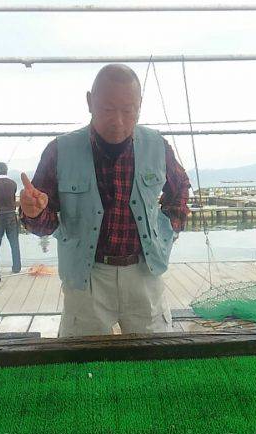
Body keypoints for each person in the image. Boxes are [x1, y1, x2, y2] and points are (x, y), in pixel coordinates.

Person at [20, 64, 190, 337]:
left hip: (144, 271)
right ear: (90, 102)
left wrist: (168, 228)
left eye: (128, 110)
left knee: (155, 354)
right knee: (82, 356)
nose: (118, 121)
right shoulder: (59, 151)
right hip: (86, 276)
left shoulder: (158, 145)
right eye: (108, 109)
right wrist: (33, 212)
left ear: (140, 105)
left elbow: (180, 187)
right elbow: (44, 224)